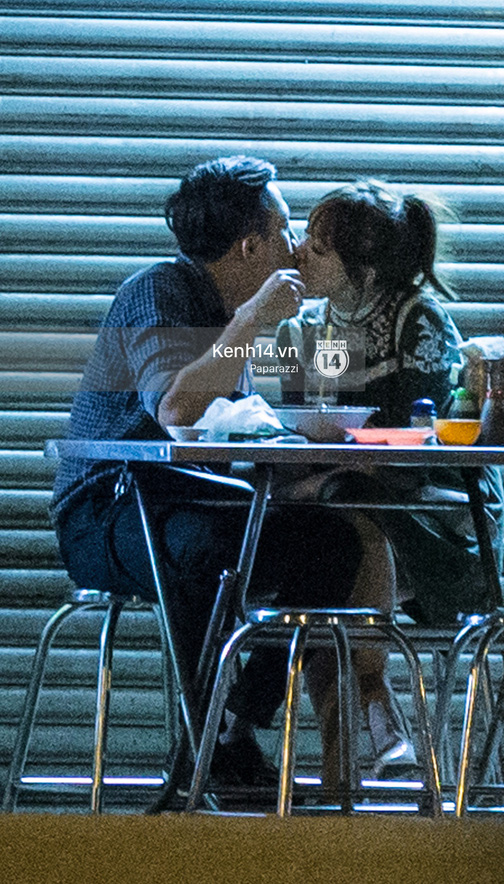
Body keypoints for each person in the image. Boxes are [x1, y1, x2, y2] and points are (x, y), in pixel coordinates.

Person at [49, 156, 363, 797]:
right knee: (211, 549)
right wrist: (252, 322)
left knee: (333, 546)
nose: (294, 247)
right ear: (251, 246)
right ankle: (205, 741)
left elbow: (233, 430)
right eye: (284, 231)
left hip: (197, 502)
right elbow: (178, 408)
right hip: (107, 510)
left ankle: (236, 725)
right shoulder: (159, 292)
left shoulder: (233, 315)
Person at [277, 180, 504, 784]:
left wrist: (322, 475)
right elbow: (311, 423)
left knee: (345, 541)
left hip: (439, 518)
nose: (297, 253)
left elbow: (413, 452)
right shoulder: (311, 326)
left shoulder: (416, 321)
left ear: (368, 269)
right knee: (324, 548)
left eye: (317, 248)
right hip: (347, 500)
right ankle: (370, 744)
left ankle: (351, 744)